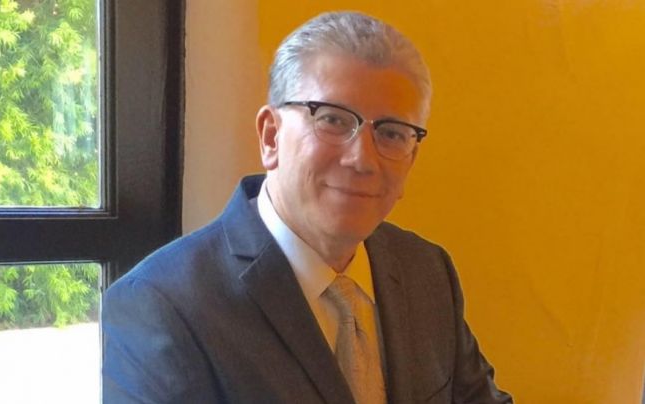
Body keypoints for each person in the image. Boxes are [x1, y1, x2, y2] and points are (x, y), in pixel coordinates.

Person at [102, 11, 513, 404]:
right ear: (270, 136)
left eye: (391, 133)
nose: (362, 159)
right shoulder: (163, 306)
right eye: (333, 120)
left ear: (411, 158)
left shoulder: (427, 271)